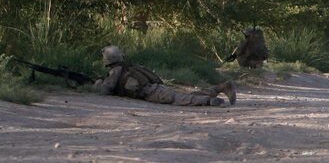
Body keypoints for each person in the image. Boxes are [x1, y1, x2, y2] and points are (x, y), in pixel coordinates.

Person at [95, 46, 236, 107]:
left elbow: (107, 88)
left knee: (180, 99)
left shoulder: (115, 71)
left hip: (152, 92)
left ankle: (208, 101)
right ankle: (220, 87)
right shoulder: (127, 67)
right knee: (184, 94)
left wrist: (97, 83)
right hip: (156, 88)